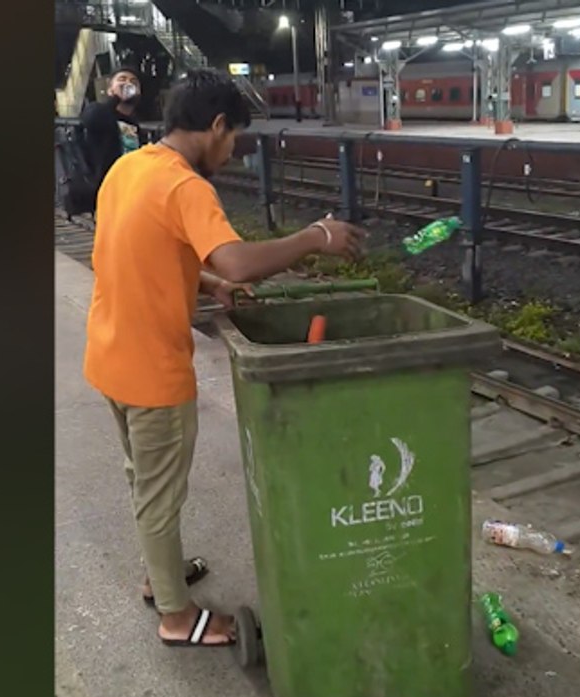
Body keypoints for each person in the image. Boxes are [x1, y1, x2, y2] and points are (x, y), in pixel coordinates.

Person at [84, 68, 367, 648]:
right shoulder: (186, 186)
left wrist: (207, 282)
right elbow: (237, 259)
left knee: (145, 481)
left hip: (109, 356)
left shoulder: (129, 168)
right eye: (234, 136)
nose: (233, 150)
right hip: (153, 371)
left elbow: (137, 253)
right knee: (160, 496)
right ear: (215, 126)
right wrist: (316, 237)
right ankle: (176, 617)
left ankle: (160, 575)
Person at [79, 67, 143, 203]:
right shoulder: (99, 111)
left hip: (131, 189)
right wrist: (116, 98)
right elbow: (90, 119)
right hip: (105, 190)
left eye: (133, 82)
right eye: (122, 79)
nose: (128, 83)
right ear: (110, 90)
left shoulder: (135, 124)